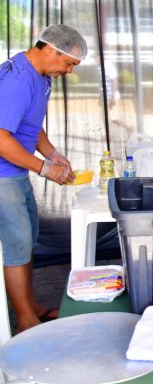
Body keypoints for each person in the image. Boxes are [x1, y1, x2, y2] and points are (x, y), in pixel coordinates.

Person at [0, 24, 87, 332]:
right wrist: (43, 168)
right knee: (17, 244)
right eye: (69, 63)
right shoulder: (16, 80)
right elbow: (1, 138)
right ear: (50, 49)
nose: (69, 71)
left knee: (28, 239)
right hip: (3, 176)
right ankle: (24, 320)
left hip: (16, 172)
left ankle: (32, 305)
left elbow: (30, 125)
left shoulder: (41, 78)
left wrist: (53, 155)